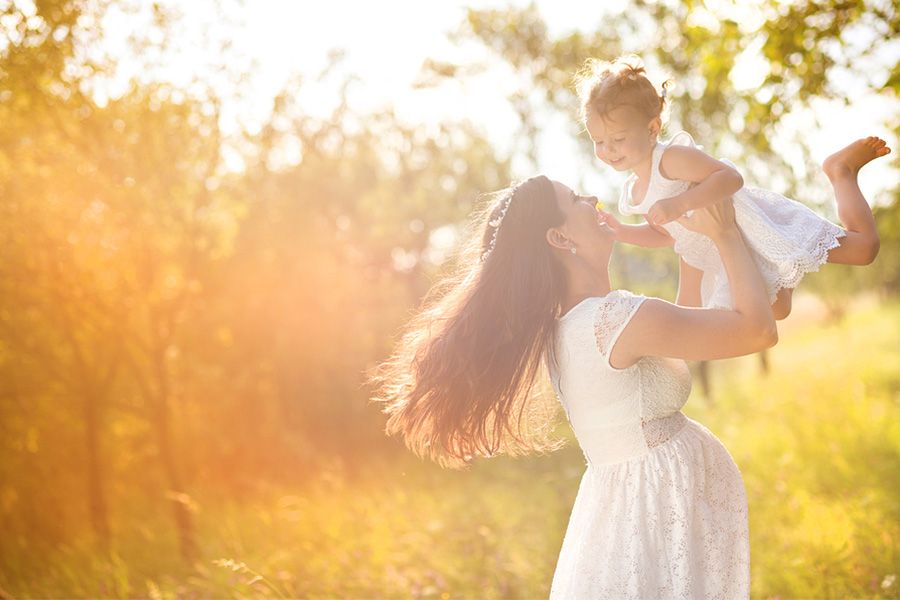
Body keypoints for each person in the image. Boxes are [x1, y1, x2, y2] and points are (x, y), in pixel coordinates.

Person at [370, 174, 777, 598]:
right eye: (577, 198)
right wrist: (725, 233)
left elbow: (686, 333)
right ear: (560, 237)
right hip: (652, 517)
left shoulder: (567, 329)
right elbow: (756, 332)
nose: (594, 199)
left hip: (630, 519)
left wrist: (691, 243)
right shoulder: (613, 321)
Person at [577, 55, 890, 318]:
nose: (608, 150)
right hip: (725, 249)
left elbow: (729, 178)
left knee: (863, 249)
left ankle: (841, 171)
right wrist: (621, 231)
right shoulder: (633, 193)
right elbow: (666, 236)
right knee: (776, 311)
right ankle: (784, 269)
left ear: (652, 128)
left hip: (751, 226)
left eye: (617, 139)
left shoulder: (670, 159)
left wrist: (681, 204)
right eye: (598, 141)